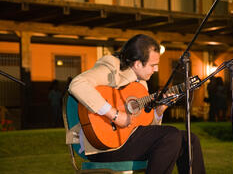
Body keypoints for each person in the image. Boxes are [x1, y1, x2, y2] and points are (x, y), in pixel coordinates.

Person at [68, 34, 205, 174]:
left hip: (128, 140)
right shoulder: (111, 66)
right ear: (138, 63)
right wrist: (114, 114)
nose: (156, 69)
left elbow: (146, 129)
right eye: (153, 65)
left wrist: (159, 111)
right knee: (171, 134)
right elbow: (77, 84)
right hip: (103, 145)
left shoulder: (141, 84)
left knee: (189, 140)